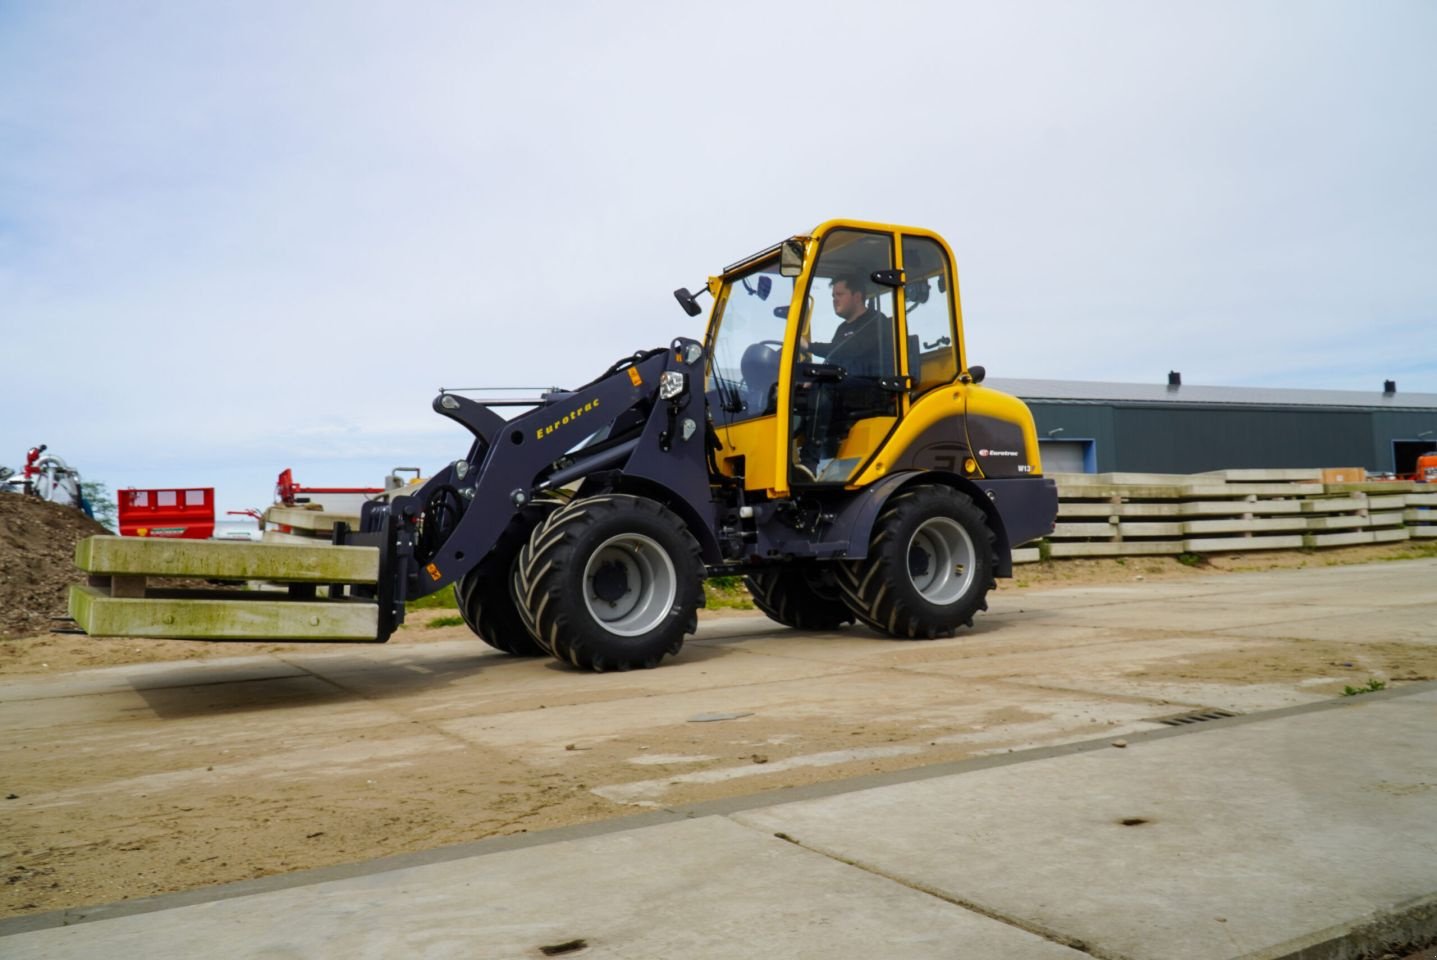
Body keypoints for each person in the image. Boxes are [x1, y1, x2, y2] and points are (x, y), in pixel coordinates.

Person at [809, 273, 888, 376]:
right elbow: (834, 360)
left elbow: (849, 350)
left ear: (857, 297)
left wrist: (809, 346)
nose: (835, 300)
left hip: (870, 385)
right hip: (845, 385)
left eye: (840, 294)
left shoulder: (876, 321)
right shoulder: (842, 328)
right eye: (833, 296)